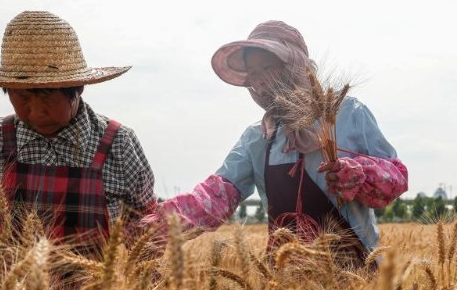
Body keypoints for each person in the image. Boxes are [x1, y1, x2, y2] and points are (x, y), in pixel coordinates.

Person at [145, 21, 407, 268]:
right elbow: (216, 196)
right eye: (252, 74)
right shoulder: (256, 138)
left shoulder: (346, 114)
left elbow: (397, 178)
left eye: (266, 69)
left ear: (294, 67)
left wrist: (360, 175)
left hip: (356, 279)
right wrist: (158, 225)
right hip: (286, 285)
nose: (258, 82)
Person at [0, 11, 156, 247]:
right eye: (23, 97)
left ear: (78, 88)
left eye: (47, 96)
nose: (36, 112)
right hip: (6, 273)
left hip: (102, 272)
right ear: (6, 89)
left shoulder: (118, 143)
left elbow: (147, 230)